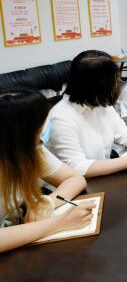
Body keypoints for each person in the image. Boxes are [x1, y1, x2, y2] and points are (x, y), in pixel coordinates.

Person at [0, 87, 95, 253]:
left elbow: (75, 179)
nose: (45, 127)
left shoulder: (31, 150)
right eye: (42, 122)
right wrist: (60, 223)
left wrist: (48, 202)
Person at [46, 51, 127, 178]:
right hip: (77, 184)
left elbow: (124, 135)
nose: (118, 83)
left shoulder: (101, 104)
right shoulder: (61, 118)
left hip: (102, 177)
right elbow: (78, 167)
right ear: (98, 85)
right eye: (115, 79)